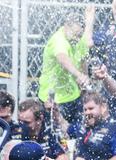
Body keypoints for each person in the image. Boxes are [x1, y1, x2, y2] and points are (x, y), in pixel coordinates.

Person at [37, 7, 95, 138]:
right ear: (65, 27)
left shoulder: (77, 37)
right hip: (53, 98)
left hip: (73, 96)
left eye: (79, 35)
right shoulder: (59, 40)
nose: (77, 38)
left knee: (77, 134)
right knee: (55, 135)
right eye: (75, 34)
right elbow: (63, 59)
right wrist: (79, 75)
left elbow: (84, 54)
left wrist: (84, 79)